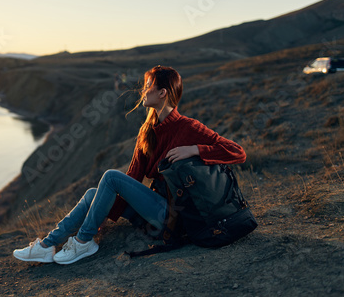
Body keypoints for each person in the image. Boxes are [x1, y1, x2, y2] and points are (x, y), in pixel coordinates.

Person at [13, 65, 246, 265]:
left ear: (162, 92)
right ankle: (47, 244)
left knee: (111, 177)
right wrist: (102, 208)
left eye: (148, 86)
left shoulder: (188, 127)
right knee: (93, 194)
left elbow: (238, 152)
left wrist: (194, 149)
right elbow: (132, 179)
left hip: (175, 216)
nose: (143, 91)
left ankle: (83, 241)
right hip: (152, 211)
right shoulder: (147, 131)